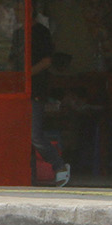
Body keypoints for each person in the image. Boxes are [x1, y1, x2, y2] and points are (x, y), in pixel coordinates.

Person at [30, 11, 71, 187]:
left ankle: (59, 166)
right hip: (18, 90)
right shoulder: (17, 33)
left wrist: (26, 75)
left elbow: (47, 61)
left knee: (35, 135)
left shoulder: (41, 32)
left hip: (35, 89)